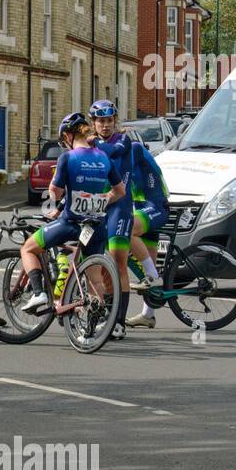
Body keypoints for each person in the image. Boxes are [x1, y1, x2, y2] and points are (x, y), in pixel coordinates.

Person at [19, 112, 125, 315]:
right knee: (95, 279)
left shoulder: (67, 158)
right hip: (97, 226)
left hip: (71, 224)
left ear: (68, 137)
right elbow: (120, 191)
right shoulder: (104, 158)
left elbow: (55, 193)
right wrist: (100, 200)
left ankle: (39, 293)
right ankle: (99, 320)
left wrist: (55, 194)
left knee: (28, 248)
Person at [91, 100, 135, 339]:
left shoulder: (122, 140)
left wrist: (92, 142)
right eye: (100, 121)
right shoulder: (90, 145)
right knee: (96, 263)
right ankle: (104, 312)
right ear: (94, 123)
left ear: (114, 122)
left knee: (118, 262)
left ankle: (119, 322)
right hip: (97, 207)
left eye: (109, 121)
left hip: (120, 207)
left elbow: (112, 152)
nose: (105, 125)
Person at [125, 138, 171, 329]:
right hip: (142, 209)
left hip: (156, 207)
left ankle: (152, 276)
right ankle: (147, 315)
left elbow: (119, 177)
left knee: (128, 229)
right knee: (149, 263)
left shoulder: (133, 148)